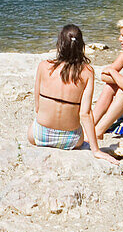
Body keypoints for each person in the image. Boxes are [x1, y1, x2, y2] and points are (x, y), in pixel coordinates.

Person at [28, 24, 114, 161]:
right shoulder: (87, 72)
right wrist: (96, 150)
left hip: (40, 135)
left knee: (34, 125)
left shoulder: (43, 66)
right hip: (71, 139)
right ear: (81, 45)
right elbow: (85, 114)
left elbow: (38, 108)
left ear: (60, 44)